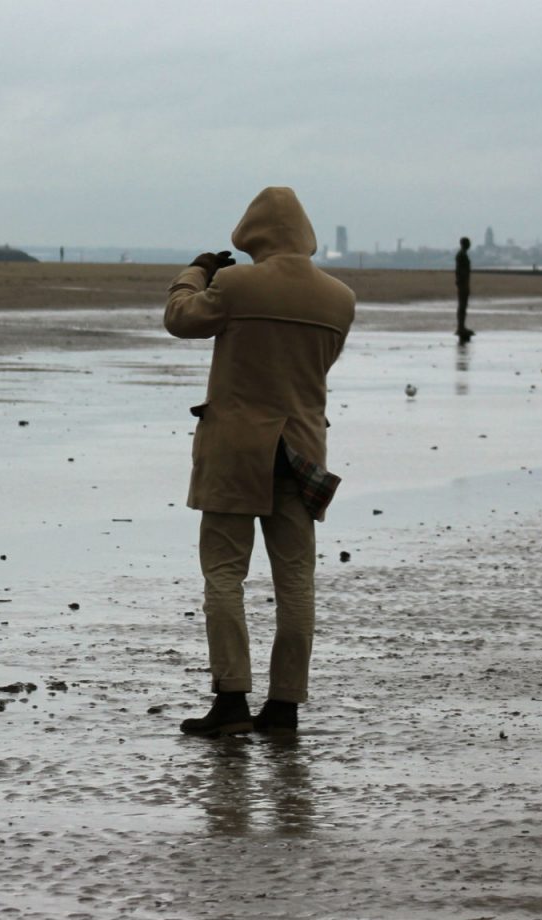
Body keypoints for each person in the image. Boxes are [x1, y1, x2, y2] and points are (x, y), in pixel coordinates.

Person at [163, 187, 355, 736]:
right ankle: (285, 706)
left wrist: (196, 272)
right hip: (301, 451)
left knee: (225, 573)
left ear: (254, 234)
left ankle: (230, 700)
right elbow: (317, 366)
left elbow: (180, 319)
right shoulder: (339, 298)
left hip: (236, 449)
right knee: (295, 580)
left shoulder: (237, 284)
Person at [455, 237, 474, 343]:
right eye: (468, 243)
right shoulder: (461, 255)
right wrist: (461, 282)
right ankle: (460, 327)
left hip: (464, 282)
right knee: (462, 306)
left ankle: (462, 326)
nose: (469, 245)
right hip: (462, 283)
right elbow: (459, 270)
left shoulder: (463, 254)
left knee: (463, 306)